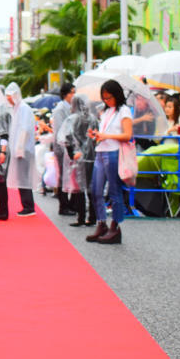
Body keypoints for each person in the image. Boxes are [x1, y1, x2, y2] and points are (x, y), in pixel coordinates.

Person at [86, 79, 132, 244]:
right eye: (104, 98)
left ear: (117, 95)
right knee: (96, 190)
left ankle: (115, 225)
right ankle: (101, 222)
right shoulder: (106, 112)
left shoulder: (124, 111)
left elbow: (127, 135)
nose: (106, 100)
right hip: (101, 151)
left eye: (109, 97)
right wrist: (97, 135)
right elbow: (105, 132)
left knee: (114, 191)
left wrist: (106, 136)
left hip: (113, 152)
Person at [60, 94, 98, 227]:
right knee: (91, 187)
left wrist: (72, 154)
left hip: (78, 158)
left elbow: (66, 138)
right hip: (92, 158)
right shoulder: (93, 119)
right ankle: (92, 217)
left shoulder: (73, 119)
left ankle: (81, 217)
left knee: (80, 189)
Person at [5, 82, 38, 216]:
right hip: (20, 149)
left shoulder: (23, 108)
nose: (8, 99)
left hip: (23, 150)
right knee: (21, 177)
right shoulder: (17, 108)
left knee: (23, 178)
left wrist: (19, 148)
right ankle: (26, 205)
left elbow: (25, 129)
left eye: (9, 96)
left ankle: (28, 206)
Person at [51, 83, 76, 216]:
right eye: (72, 92)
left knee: (69, 176)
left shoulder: (71, 107)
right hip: (62, 146)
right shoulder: (60, 109)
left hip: (69, 145)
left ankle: (70, 204)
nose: (74, 95)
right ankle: (64, 206)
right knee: (62, 176)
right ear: (65, 94)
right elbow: (61, 130)